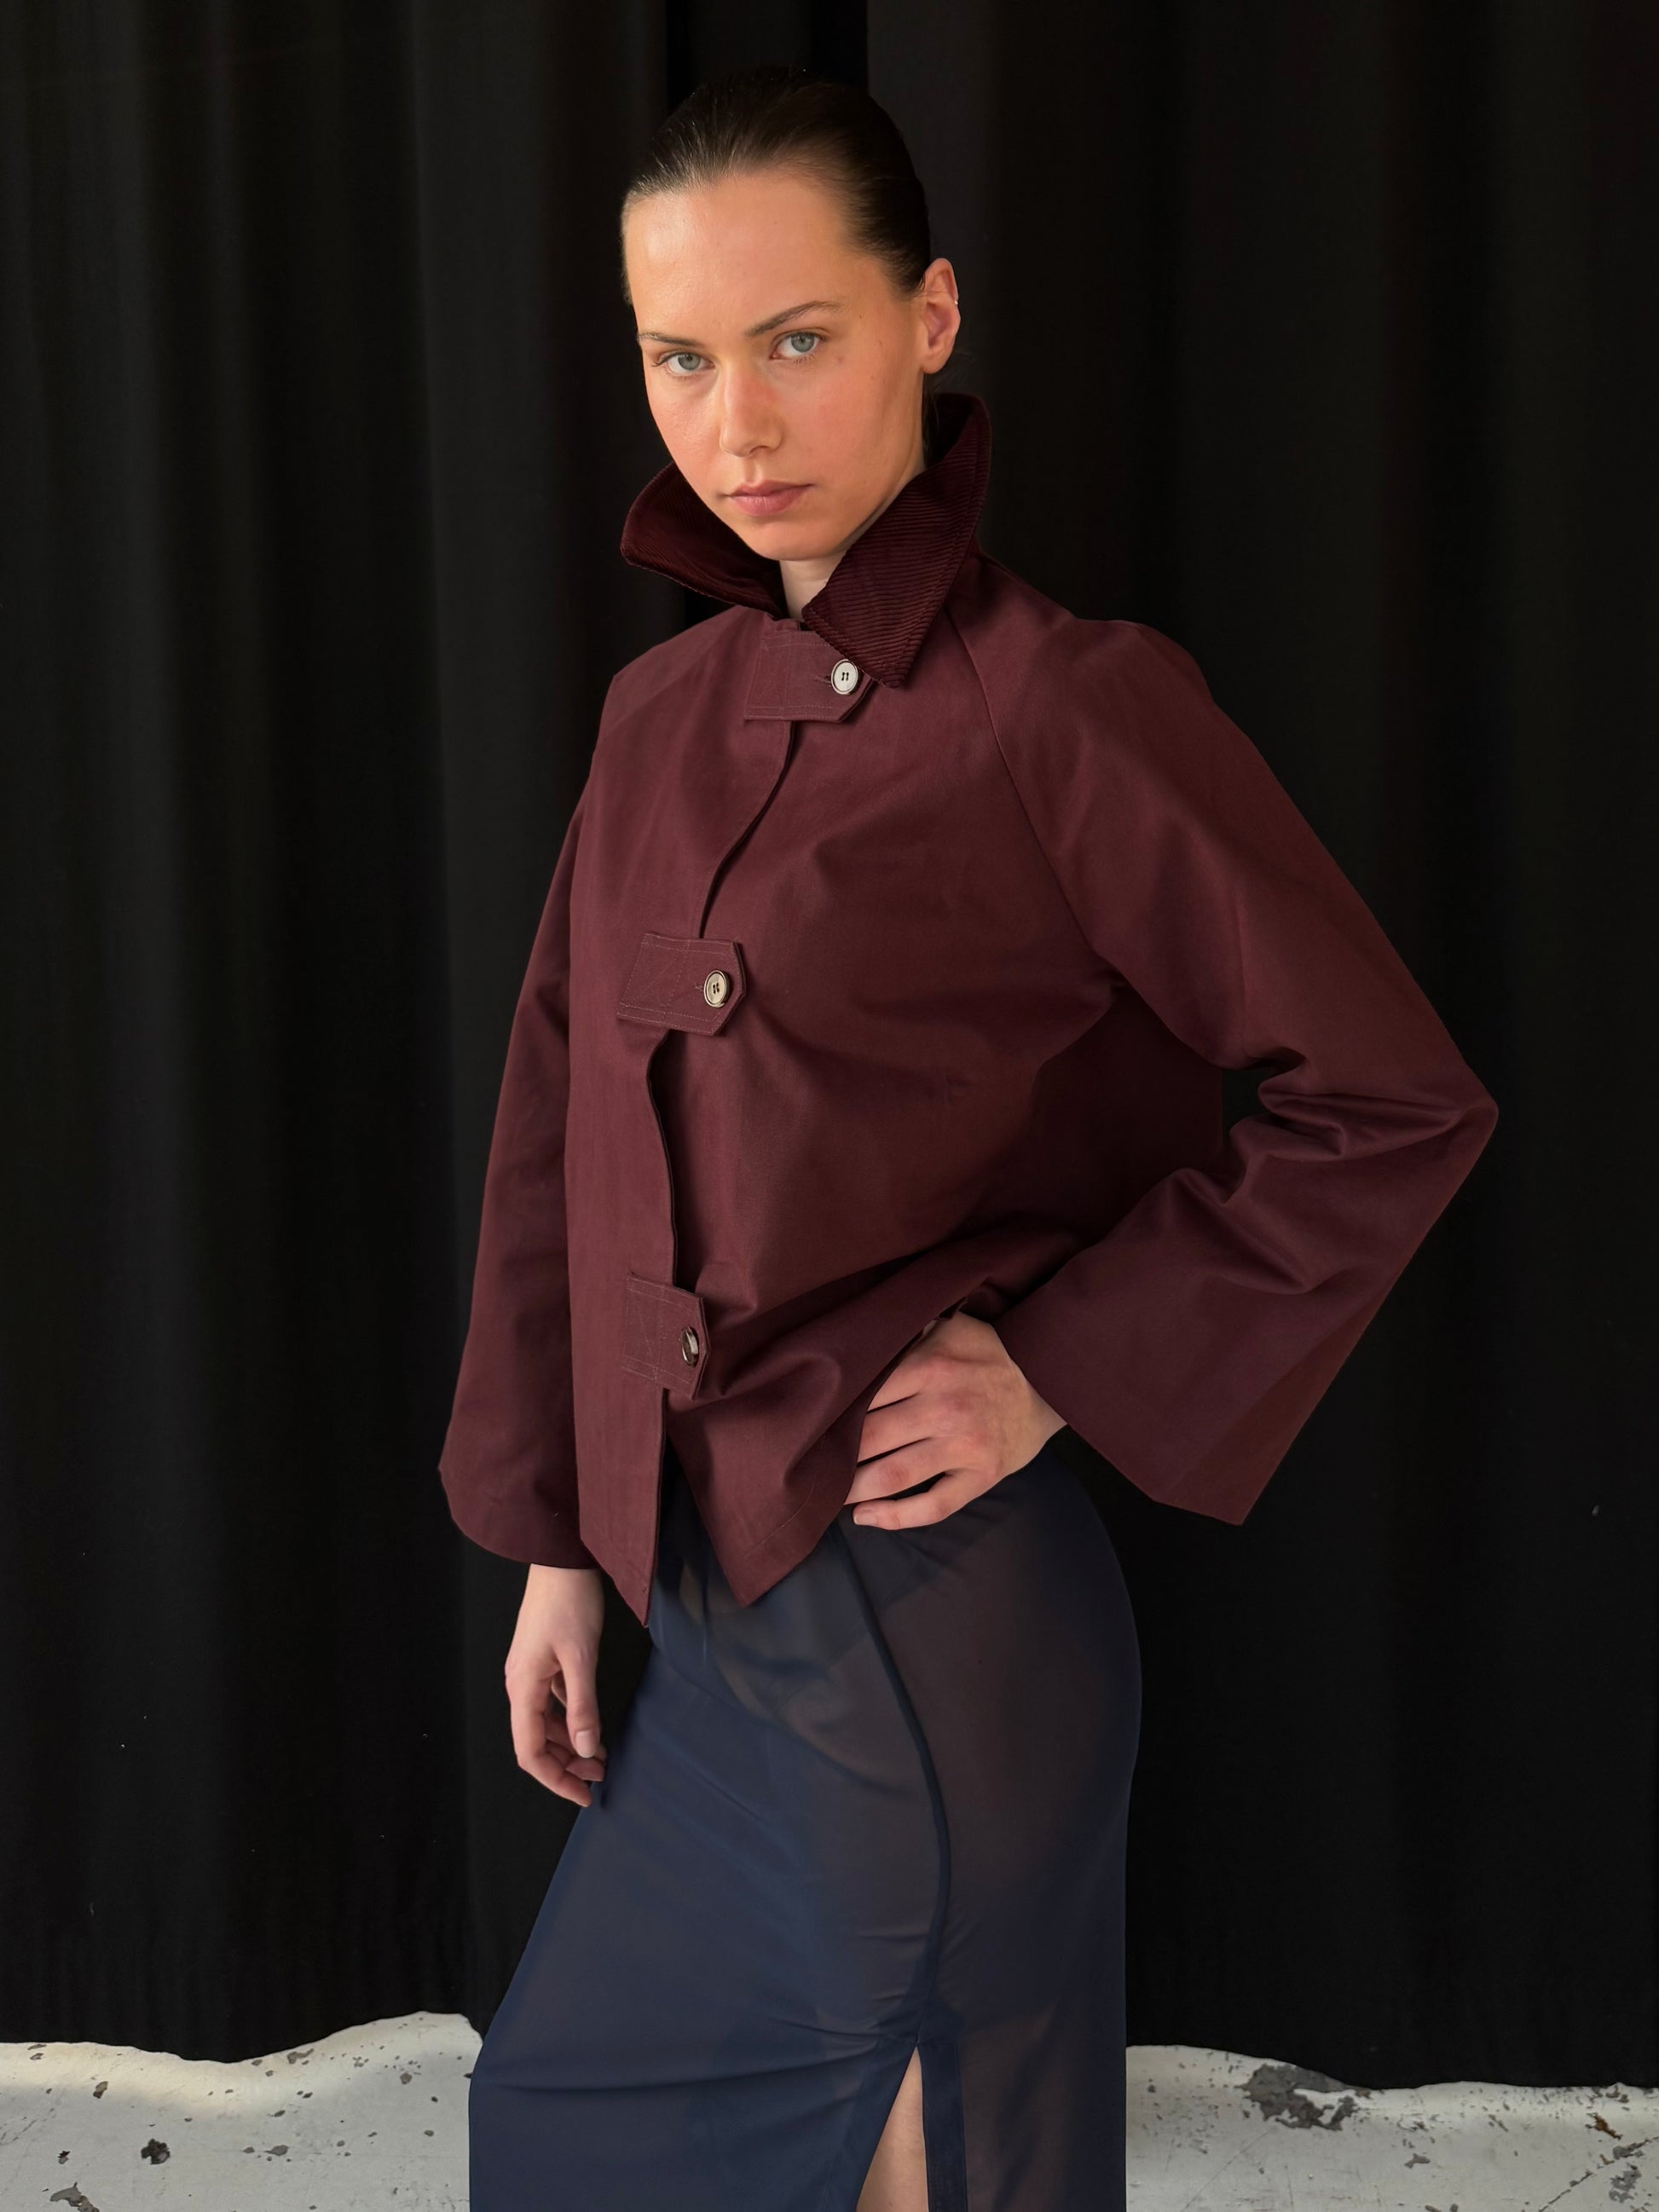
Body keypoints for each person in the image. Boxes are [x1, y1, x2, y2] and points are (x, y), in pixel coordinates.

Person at [437, 64, 1498, 2212]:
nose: (736, 423)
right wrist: (558, 1537)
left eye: (796, 338)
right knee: (578, 2137)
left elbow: (1386, 1097)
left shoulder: (1064, 703)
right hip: (712, 1631)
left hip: (918, 1643)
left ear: (928, 316)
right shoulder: (655, 719)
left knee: (914, 2165)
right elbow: (563, 1139)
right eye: (678, 356)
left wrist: (1058, 1364)